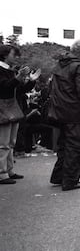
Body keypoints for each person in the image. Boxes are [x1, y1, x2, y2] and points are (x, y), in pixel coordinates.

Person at [49, 39, 80, 191]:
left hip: (59, 109)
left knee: (64, 143)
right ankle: (70, 180)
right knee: (77, 146)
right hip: (74, 111)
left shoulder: (60, 65)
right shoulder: (79, 66)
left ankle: (58, 175)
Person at [0, 45, 34, 184]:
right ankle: (2, 173)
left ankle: (9, 170)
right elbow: (4, 86)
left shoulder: (10, 71)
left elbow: (19, 89)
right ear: (5, 54)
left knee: (11, 142)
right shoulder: (2, 71)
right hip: (2, 108)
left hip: (12, 107)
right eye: (14, 54)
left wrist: (31, 81)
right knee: (3, 143)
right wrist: (19, 77)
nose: (16, 57)